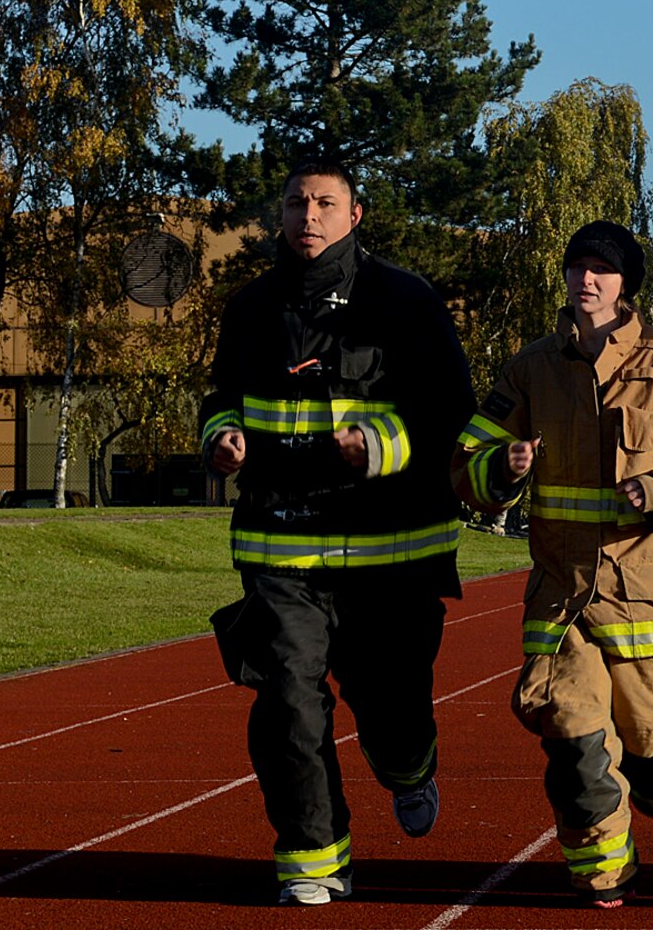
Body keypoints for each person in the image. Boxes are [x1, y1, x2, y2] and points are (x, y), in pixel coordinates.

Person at [450, 222, 653, 908]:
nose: (584, 279)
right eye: (576, 267)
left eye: (601, 269)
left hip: (651, 601)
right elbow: (465, 464)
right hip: (564, 601)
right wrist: (498, 467)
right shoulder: (531, 368)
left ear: (626, 286)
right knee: (572, 733)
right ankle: (604, 872)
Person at [202, 160, 474, 907]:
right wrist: (222, 438)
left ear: (357, 215)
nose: (308, 215)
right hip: (281, 552)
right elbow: (222, 398)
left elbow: (455, 412)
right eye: (296, 202)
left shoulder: (406, 301)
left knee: (393, 711)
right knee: (288, 696)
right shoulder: (249, 308)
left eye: (325, 202)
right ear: (278, 214)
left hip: (393, 556)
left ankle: (409, 766)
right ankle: (313, 858)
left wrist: (379, 449)